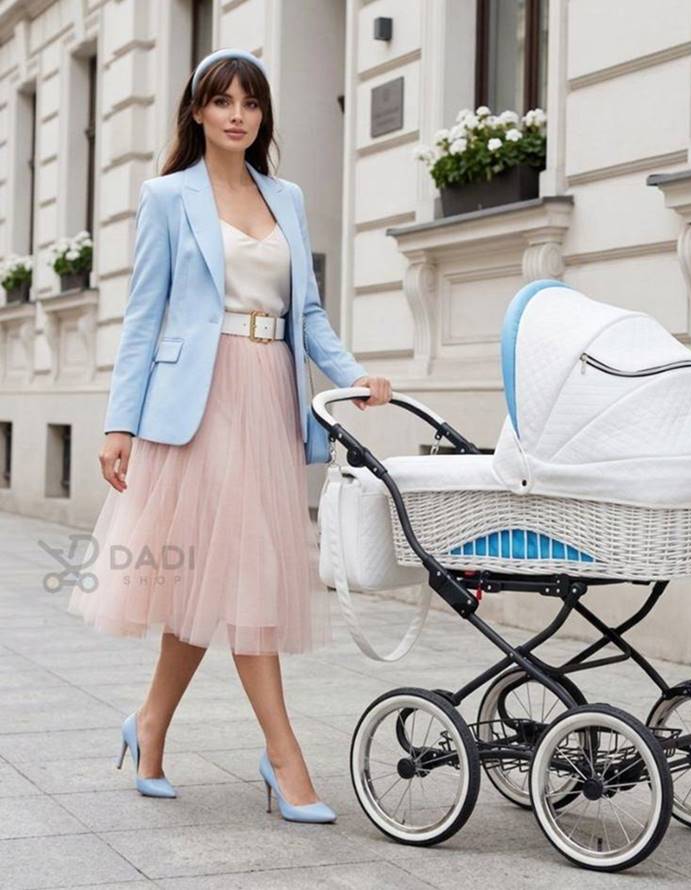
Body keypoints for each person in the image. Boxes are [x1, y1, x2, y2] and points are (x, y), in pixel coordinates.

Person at [67, 47, 392, 823]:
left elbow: (306, 312)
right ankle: (284, 759)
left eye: (250, 102)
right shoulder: (166, 196)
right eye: (222, 101)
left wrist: (353, 375)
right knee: (236, 573)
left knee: (219, 576)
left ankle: (148, 726)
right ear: (197, 112)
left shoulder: (287, 197)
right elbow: (143, 318)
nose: (237, 114)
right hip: (195, 400)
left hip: (265, 393)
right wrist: (119, 423)